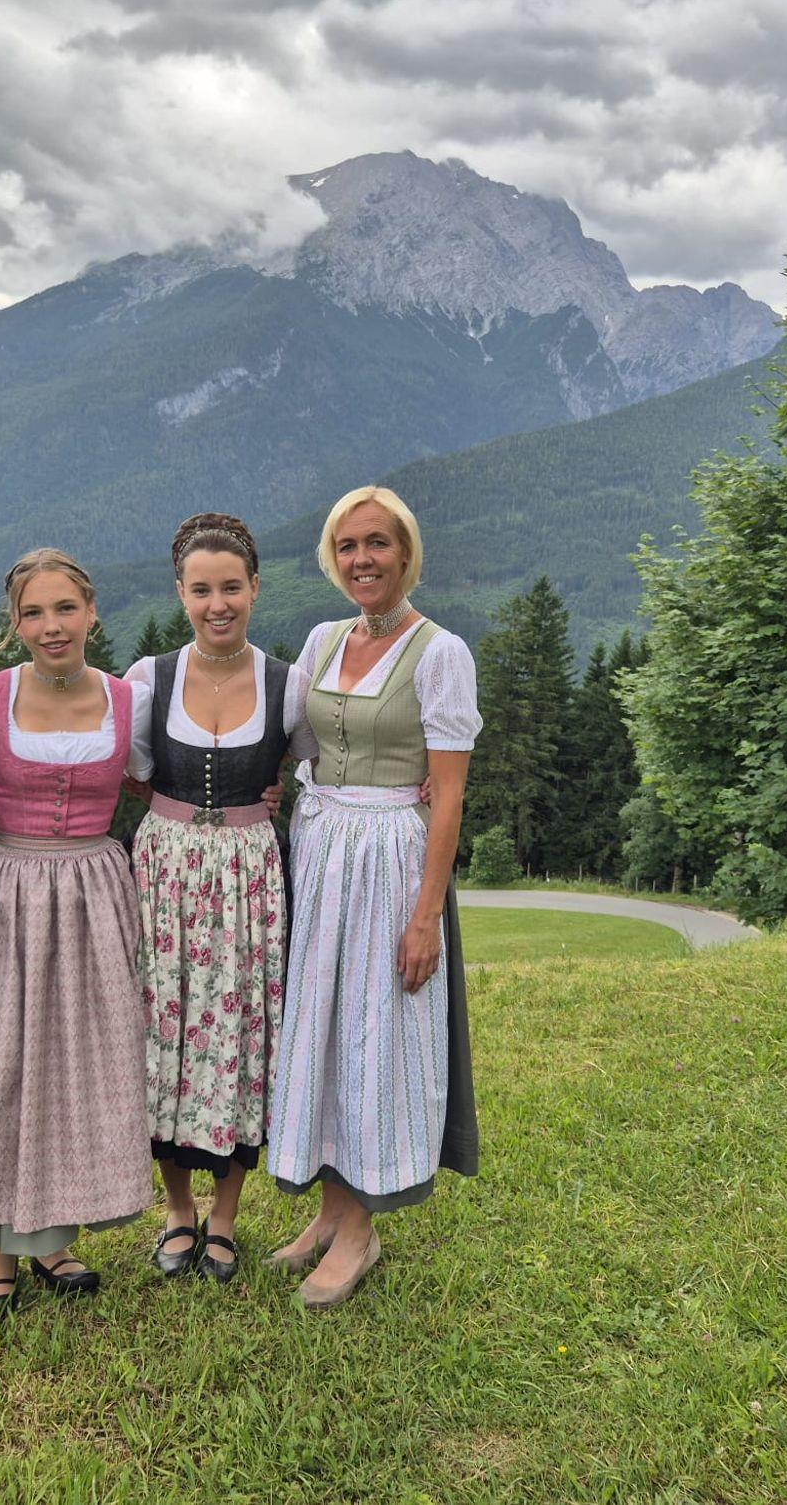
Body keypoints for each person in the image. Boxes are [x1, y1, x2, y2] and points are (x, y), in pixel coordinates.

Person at [265, 485, 481, 1309]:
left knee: (371, 1034)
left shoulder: (440, 652)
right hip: (322, 851)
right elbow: (294, 742)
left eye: (378, 543)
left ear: (407, 553)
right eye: (348, 546)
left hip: (392, 861)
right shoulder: (323, 640)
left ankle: (360, 1229)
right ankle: (329, 1211)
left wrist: (426, 916)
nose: (363, 559)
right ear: (333, 558)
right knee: (321, 1027)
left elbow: (449, 795)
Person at [0, 549, 154, 1315]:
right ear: (14, 624)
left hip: (96, 891)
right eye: (33, 612)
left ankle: (55, 1240)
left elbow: (160, 780)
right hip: (12, 891)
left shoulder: (129, 702)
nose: (51, 625)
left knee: (76, 1067)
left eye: (65, 608)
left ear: (92, 613)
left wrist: (271, 787)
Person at [125, 513, 315, 1282]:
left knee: (242, 1034)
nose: (217, 605)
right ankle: (177, 1210)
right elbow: (127, 769)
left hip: (250, 877)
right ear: (181, 592)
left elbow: (318, 768)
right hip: (163, 874)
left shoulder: (288, 684)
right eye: (201, 590)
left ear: (256, 588)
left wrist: (276, 797)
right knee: (162, 1035)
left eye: (231, 587)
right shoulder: (149, 678)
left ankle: (226, 1216)